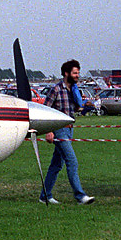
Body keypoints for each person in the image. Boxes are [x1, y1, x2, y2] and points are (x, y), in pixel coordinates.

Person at [39, 59, 94, 205]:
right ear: (66, 73)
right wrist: (49, 131)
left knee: (56, 164)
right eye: (75, 73)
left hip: (69, 129)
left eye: (78, 73)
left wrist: (84, 105)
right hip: (59, 130)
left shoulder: (74, 90)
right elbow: (45, 110)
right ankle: (80, 196)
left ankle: (45, 196)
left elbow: (74, 109)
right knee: (72, 161)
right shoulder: (56, 89)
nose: (77, 76)